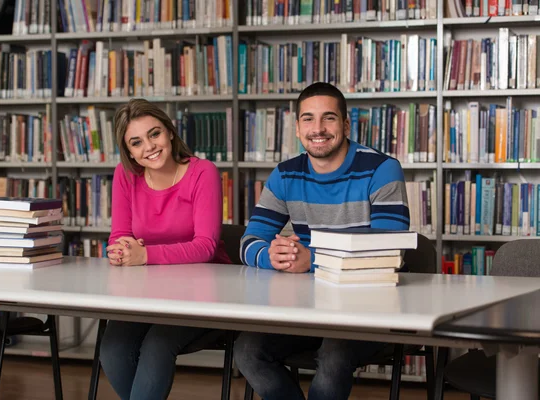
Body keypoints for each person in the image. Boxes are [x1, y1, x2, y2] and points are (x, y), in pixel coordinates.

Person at [234, 82, 410, 400]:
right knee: (247, 350)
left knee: (334, 354)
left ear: (344, 124)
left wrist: (311, 259)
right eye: (308, 119)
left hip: (369, 312)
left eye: (328, 118)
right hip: (307, 311)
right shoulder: (286, 175)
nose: (318, 129)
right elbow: (249, 242)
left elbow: (389, 250)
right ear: (298, 127)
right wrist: (272, 256)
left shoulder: (382, 169)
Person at [100, 98, 231, 400]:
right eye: (136, 142)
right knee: (113, 349)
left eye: (154, 134)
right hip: (147, 293)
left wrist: (144, 255)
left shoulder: (203, 172)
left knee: (157, 345)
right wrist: (119, 250)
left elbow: (206, 247)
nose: (149, 147)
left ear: (170, 132)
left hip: (204, 292)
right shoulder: (126, 176)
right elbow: (120, 233)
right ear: (128, 151)